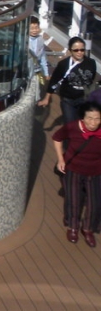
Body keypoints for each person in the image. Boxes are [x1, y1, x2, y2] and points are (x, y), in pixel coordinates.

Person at [52, 101, 101, 246]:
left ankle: (87, 229)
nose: (93, 123)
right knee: (73, 200)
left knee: (95, 203)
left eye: (97, 119)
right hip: (74, 169)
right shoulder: (72, 127)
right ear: (82, 118)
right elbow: (57, 138)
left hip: (96, 171)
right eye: (90, 118)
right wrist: (60, 159)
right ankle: (73, 227)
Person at [39, 37, 97, 126]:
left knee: (81, 124)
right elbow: (54, 81)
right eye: (76, 50)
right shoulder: (63, 64)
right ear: (70, 50)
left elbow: (91, 79)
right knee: (70, 124)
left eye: (82, 50)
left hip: (83, 98)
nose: (79, 52)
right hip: (67, 99)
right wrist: (46, 98)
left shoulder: (91, 63)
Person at [28, 16, 49, 82]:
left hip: (36, 71)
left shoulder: (41, 40)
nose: (34, 30)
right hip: (26, 71)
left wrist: (46, 73)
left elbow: (43, 58)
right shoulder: (23, 40)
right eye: (32, 28)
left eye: (36, 28)